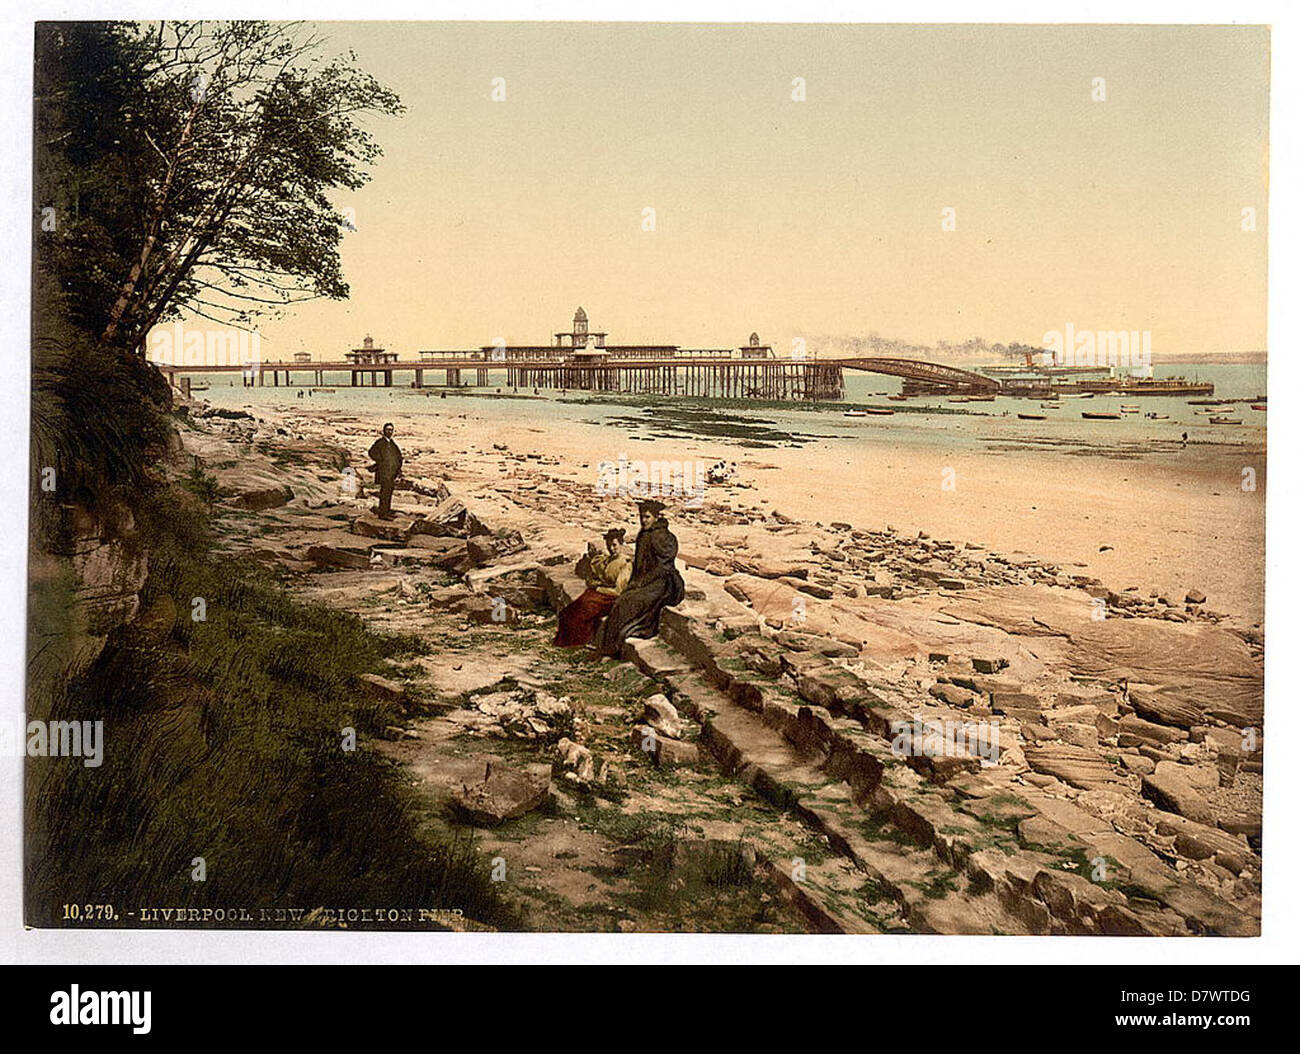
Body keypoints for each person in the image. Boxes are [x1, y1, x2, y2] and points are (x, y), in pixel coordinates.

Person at [596, 500, 685, 657]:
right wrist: (635, 582)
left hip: (665, 584)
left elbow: (663, 568)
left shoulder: (664, 537)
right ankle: (608, 647)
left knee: (629, 602)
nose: (643, 521)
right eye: (641, 517)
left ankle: (611, 648)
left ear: (656, 517)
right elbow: (639, 566)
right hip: (648, 581)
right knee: (624, 599)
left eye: (647, 517)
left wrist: (641, 583)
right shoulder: (644, 534)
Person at [553, 529, 631, 648]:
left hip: (612, 597)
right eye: (609, 545)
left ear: (621, 544)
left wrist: (599, 588)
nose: (612, 549)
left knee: (585, 607)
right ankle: (566, 639)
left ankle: (578, 641)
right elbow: (594, 577)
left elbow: (619, 590)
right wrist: (595, 584)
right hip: (601, 593)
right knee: (571, 609)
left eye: (614, 545)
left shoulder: (625, 563)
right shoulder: (607, 560)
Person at [367, 422, 403, 519]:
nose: (389, 431)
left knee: (389, 492)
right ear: (384, 431)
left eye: (391, 430)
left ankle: (386, 511)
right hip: (383, 472)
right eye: (388, 430)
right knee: (384, 493)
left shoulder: (392, 443)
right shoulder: (380, 442)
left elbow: (399, 457)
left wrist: (398, 470)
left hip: (392, 473)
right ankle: (383, 514)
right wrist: (381, 461)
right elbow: (371, 452)